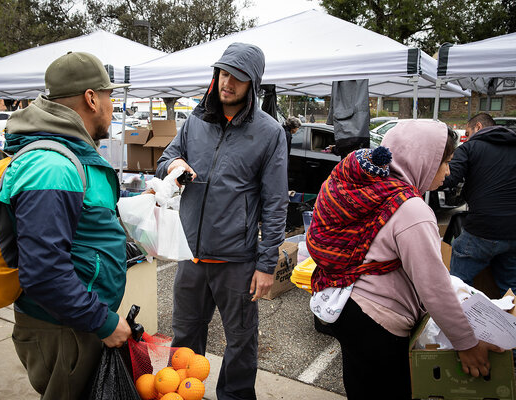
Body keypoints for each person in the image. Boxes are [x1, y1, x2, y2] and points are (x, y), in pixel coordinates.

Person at [306, 120, 502, 399]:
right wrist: (466, 343)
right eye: (444, 162)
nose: (447, 172)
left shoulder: (371, 186)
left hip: (344, 305)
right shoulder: (411, 209)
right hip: (377, 323)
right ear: (423, 160)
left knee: (361, 386)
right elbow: (433, 287)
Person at [155, 42, 288, 400]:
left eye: (238, 78)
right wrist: (173, 165)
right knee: (184, 339)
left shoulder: (269, 132)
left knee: (241, 342)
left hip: (237, 261)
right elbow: (165, 157)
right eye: (224, 73)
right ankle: (182, 395)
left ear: (253, 85)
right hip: (192, 257)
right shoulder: (195, 120)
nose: (228, 83)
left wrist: (266, 264)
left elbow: (276, 204)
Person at [0, 52, 131, 400]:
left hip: (75, 321)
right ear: (91, 98)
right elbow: (43, 271)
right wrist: (102, 321)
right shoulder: (52, 166)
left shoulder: (69, 155)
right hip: (63, 328)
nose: (112, 105)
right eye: (109, 97)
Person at [441, 113, 516, 295]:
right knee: (511, 289)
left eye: (468, 132)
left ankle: (462, 321)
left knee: (459, 287)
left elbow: (449, 178)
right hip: (513, 230)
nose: (466, 137)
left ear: (478, 127)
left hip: (483, 229)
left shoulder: (470, 148)